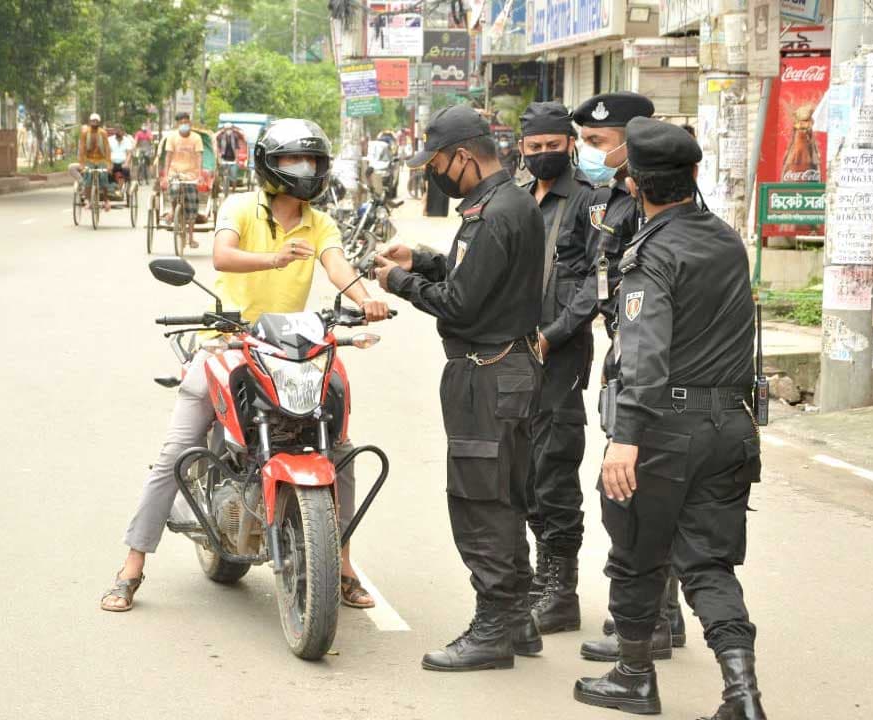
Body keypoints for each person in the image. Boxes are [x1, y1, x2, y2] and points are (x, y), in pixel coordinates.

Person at [102, 119, 391, 614]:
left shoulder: (319, 222)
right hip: (228, 343)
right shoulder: (240, 206)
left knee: (339, 449)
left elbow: (338, 264)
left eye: (313, 162)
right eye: (292, 161)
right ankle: (131, 567)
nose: (305, 170)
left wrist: (367, 298)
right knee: (178, 450)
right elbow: (222, 255)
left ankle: (341, 564)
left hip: (291, 346)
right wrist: (274, 260)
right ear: (269, 166)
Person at [573, 117, 766, 720]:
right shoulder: (727, 239)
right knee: (708, 564)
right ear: (695, 175)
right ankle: (742, 694)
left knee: (636, 552)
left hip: (663, 430)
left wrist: (624, 439)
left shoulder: (649, 255)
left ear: (635, 186)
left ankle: (634, 676)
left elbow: (645, 356)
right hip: (731, 428)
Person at [372, 104, 546, 672]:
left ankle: (494, 630)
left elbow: (462, 304)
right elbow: (474, 276)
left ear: (464, 156)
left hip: (488, 373)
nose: (434, 174)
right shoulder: (508, 203)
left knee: (481, 502)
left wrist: (399, 283)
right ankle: (517, 621)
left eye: (438, 163)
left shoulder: (495, 213)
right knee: (506, 495)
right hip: (509, 368)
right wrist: (421, 259)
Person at [548, 91, 690, 662]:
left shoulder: (650, 209)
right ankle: (665, 614)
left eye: (598, 143)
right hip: (633, 355)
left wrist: (557, 331)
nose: (589, 153)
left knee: (636, 496)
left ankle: (652, 620)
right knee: (651, 497)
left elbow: (618, 290)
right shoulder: (614, 200)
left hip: (648, 367)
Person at [516, 101, 596, 636]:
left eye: (554, 146)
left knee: (555, 470)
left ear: (570, 144)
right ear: (522, 149)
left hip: (559, 356)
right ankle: (534, 578)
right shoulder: (518, 202)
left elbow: (598, 280)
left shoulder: (591, 202)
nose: (545, 155)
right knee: (520, 471)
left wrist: (554, 333)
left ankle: (559, 589)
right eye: (535, 148)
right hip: (513, 357)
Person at [161, 111, 203, 247]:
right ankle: (174, 211)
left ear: (189, 123)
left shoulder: (196, 138)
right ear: (177, 124)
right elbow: (168, 156)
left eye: (186, 122)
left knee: (191, 205)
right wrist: (165, 175)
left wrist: (200, 174)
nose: (184, 125)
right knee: (173, 188)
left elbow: (199, 157)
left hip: (191, 174)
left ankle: (191, 237)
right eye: (181, 123)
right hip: (175, 172)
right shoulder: (172, 137)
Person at [77, 113, 111, 211]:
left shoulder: (103, 133)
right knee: (87, 176)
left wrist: (108, 163)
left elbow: (107, 148)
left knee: (103, 176)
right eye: (92, 121)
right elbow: (82, 148)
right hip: (89, 159)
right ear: (89, 122)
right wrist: (82, 163)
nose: (94, 123)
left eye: (96, 121)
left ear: (99, 122)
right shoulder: (85, 133)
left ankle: (106, 200)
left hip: (101, 159)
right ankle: (87, 200)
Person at [108, 125, 134, 191]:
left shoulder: (127, 140)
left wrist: (126, 163)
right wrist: (109, 163)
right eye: (116, 130)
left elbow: (129, 154)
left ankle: (119, 189)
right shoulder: (110, 140)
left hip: (123, 162)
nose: (118, 132)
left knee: (125, 170)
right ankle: (111, 187)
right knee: (106, 171)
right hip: (112, 162)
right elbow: (107, 153)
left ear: (123, 132)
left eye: (119, 131)